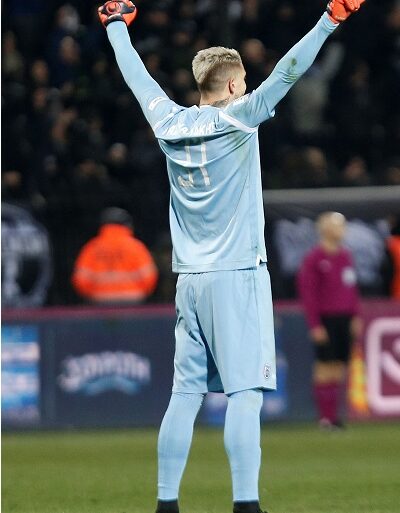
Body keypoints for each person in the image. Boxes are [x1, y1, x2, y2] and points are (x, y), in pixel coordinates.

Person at [97, 1, 365, 511]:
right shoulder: (240, 118)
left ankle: (166, 502)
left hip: (189, 280)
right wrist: (329, 20)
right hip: (237, 274)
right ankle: (246, 503)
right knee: (245, 394)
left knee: (184, 395)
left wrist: (114, 27)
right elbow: (289, 70)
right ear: (235, 85)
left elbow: (136, 76)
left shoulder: (167, 121)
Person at [297, 212, 362, 429]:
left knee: (339, 367)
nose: (343, 230)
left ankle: (334, 416)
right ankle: (325, 417)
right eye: (339, 226)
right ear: (326, 229)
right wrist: (315, 324)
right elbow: (308, 294)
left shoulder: (345, 256)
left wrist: (355, 315)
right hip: (326, 319)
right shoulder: (314, 258)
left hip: (344, 318)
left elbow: (351, 289)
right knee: (324, 368)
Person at [72, 207, 158, 303]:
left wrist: (92, 293)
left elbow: (81, 280)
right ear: (127, 225)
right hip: (132, 301)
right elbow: (149, 277)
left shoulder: (92, 248)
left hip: (100, 301)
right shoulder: (136, 247)